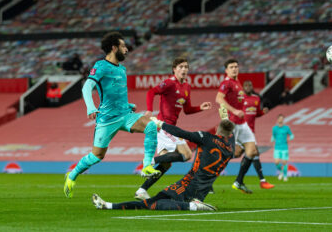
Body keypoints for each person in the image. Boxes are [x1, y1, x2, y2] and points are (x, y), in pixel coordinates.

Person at [64, 32, 160, 198]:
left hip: (125, 115)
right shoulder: (100, 66)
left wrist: (128, 105)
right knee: (96, 156)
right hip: (107, 120)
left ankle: (146, 166)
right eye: (123, 46)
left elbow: (117, 94)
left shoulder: (122, 69)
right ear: (114, 48)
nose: (126, 49)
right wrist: (90, 108)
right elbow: (87, 87)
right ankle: (71, 176)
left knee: (151, 125)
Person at [92, 111, 235, 211]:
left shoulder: (206, 138)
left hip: (190, 185)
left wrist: (160, 123)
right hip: (201, 189)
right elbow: (229, 136)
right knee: (152, 201)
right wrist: (226, 118)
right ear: (230, 133)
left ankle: (193, 206)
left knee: (154, 204)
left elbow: (181, 133)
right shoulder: (230, 150)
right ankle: (108, 205)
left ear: (216, 128)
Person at [135, 57, 212, 200]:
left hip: (170, 127)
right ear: (174, 69)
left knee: (166, 164)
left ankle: (141, 190)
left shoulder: (187, 87)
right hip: (163, 125)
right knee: (187, 154)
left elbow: (187, 110)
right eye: (181, 67)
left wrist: (200, 108)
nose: (184, 69)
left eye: (186, 67)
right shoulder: (169, 83)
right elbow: (151, 92)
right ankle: (150, 161)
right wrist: (149, 110)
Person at [216, 58, 273, 194]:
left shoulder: (237, 83)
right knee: (232, 153)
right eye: (231, 67)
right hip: (233, 123)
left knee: (252, 151)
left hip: (243, 124)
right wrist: (233, 111)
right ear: (226, 70)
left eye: (236, 66)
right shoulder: (227, 82)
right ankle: (211, 171)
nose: (234, 69)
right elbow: (218, 99)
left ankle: (238, 181)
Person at [242, 80, 274, 189]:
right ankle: (260, 181)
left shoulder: (256, 98)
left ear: (252, 86)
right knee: (252, 153)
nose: (248, 87)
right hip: (241, 131)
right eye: (246, 85)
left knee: (251, 154)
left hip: (250, 132)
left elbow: (256, 113)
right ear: (243, 87)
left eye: (249, 85)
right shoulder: (240, 99)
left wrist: (262, 112)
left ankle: (259, 181)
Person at [271, 114, 294, 182]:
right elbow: (274, 135)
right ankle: (281, 171)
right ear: (278, 120)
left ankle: (285, 175)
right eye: (279, 118)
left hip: (284, 147)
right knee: (277, 162)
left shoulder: (286, 128)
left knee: (284, 162)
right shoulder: (274, 128)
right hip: (277, 147)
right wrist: (272, 139)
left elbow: (291, 134)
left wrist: (291, 137)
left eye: (282, 118)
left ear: (283, 120)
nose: (280, 120)